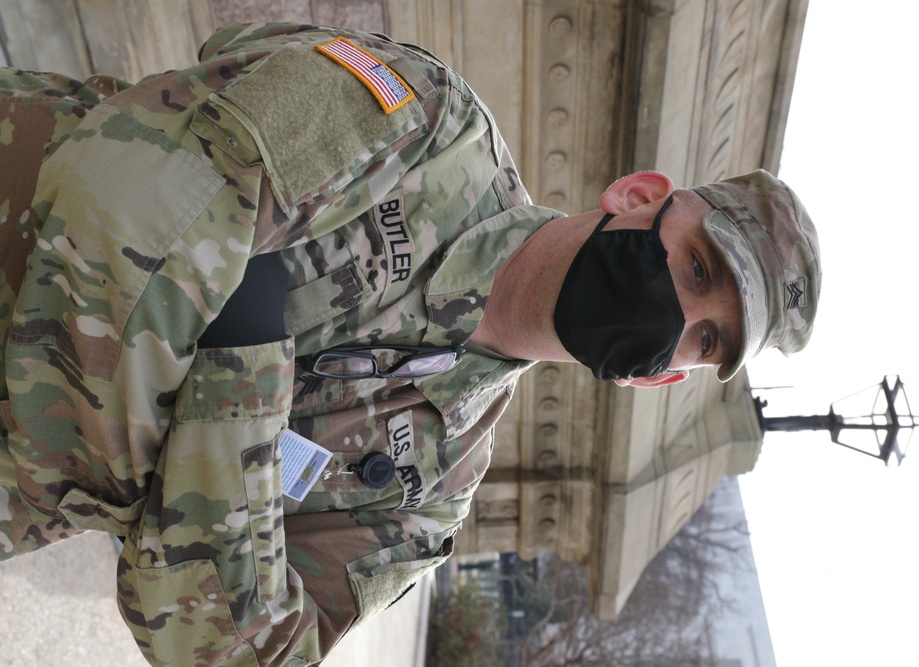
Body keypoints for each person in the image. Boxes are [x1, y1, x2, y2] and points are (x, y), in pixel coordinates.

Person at [0, 22, 820, 666]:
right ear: (638, 194)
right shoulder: (429, 127)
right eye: (697, 264)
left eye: (706, 338)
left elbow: (221, 648)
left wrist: (243, 329)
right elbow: (133, 196)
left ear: (662, 381)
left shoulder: (431, 493)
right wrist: (172, 498)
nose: (677, 312)